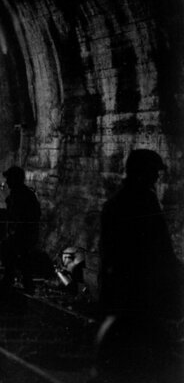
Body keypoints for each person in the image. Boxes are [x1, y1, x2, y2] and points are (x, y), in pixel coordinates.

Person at [95, 149, 182, 383]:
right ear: (142, 174)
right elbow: (160, 248)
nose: (156, 177)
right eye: (153, 173)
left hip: (121, 291)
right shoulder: (144, 202)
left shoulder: (116, 203)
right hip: (139, 292)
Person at [0, 166, 41, 294]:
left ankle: (15, 281)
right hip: (25, 233)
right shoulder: (22, 193)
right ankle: (22, 282)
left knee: (15, 254)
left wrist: (14, 233)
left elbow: (19, 217)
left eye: (9, 179)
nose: (7, 182)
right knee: (19, 256)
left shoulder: (21, 195)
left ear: (15, 179)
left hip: (24, 234)